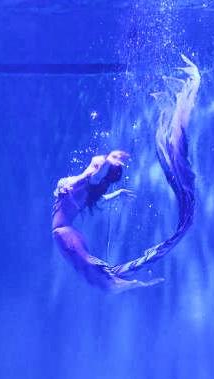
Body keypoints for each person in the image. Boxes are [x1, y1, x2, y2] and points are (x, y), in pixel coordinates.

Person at [52, 56, 200, 292]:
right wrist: (98, 167)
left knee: (100, 275)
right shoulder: (73, 184)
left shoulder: (85, 190)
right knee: (99, 274)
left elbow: (92, 190)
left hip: (65, 232)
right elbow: (78, 180)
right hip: (64, 232)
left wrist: (115, 191)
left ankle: (125, 283)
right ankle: (126, 283)